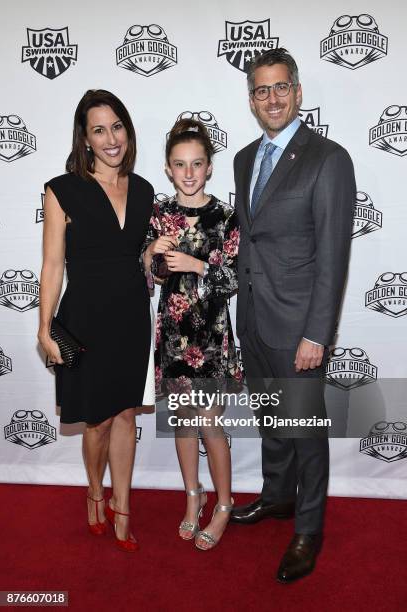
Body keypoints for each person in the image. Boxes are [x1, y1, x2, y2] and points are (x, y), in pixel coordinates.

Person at [230, 48, 355, 582]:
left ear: (298, 92)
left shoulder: (329, 158)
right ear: (252, 100)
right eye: (262, 90)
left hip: (299, 325)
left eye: (281, 87)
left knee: (305, 431)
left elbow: (333, 255)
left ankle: (309, 528)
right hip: (254, 318)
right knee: (272, 423)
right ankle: (278, 498)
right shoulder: (242, 159)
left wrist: (316, 333)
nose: (272, 98)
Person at [38, 89, 155, 553]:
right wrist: (44, 328)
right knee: (98, 423)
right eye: (99, 130)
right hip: (85, 319)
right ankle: (94, 493)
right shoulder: (61, 189)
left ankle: (122, 505)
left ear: (127, 129)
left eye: (118, 127)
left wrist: (153, 255)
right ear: (85, 139)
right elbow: (51, 266)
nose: (111, 139)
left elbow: (137, 258)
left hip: (131, 317)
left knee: (126, 413)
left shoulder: (144, 189)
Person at [142, 118, 242, 550]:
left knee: (209, 424)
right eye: (179, 164)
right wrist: (152, 255)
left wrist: (198, 265)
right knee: (183, 422)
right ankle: (192, 496)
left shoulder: (225, 216)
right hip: (173, 336)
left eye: (197, 163)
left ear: (209, 167)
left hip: (212, 336)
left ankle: (223, 503)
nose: (188, 173)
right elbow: (149, 275)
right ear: (167, 168)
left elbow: (236, 279)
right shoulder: (159, 215)